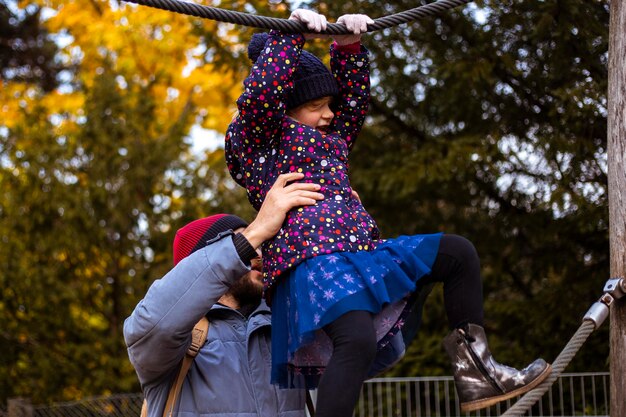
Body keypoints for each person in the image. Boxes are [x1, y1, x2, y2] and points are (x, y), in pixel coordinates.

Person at [225, 9, 551, 416]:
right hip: (310, 260)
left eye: (330, 104)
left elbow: (354, 105)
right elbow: (260, 99)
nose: (328, 114)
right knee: (356, 340)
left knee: (457, 253)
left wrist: (349, 50)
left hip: (359, 252)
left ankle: (477, 373)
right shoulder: (261, 142)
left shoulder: (333, 138)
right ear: (285, 108)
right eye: (315, 105)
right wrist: (290, 38)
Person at [123, 172, 325, 417]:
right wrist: (255, 232)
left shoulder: (284, 327)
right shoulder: (175, 345)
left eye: (259, 245)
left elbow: (364, 348)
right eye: (246, 245)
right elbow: (152, 324)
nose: (259, 255)